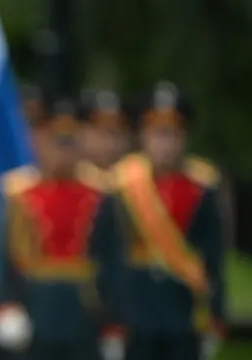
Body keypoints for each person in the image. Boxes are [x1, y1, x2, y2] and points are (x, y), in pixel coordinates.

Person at [0, 97, 124, 360]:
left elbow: (112, 261)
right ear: (38, 141)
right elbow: (3, 258)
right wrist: (6, 306)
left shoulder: (100, 192)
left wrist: (114, 323)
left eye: (70, 141)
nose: (63, 150)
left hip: (85, 312)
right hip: (34, 310)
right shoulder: (18, 191)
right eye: (55, 140)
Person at [113, 81, 225, 360]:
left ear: (184, 138)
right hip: (137, 307)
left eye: (172, 134)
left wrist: (216, 313)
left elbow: (213, 253)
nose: (166, 144)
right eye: (158, 134)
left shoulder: (202, 184)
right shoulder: (123, 182)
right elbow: (111, 254)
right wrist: (111, 317)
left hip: (183, 309)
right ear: (142, 136)